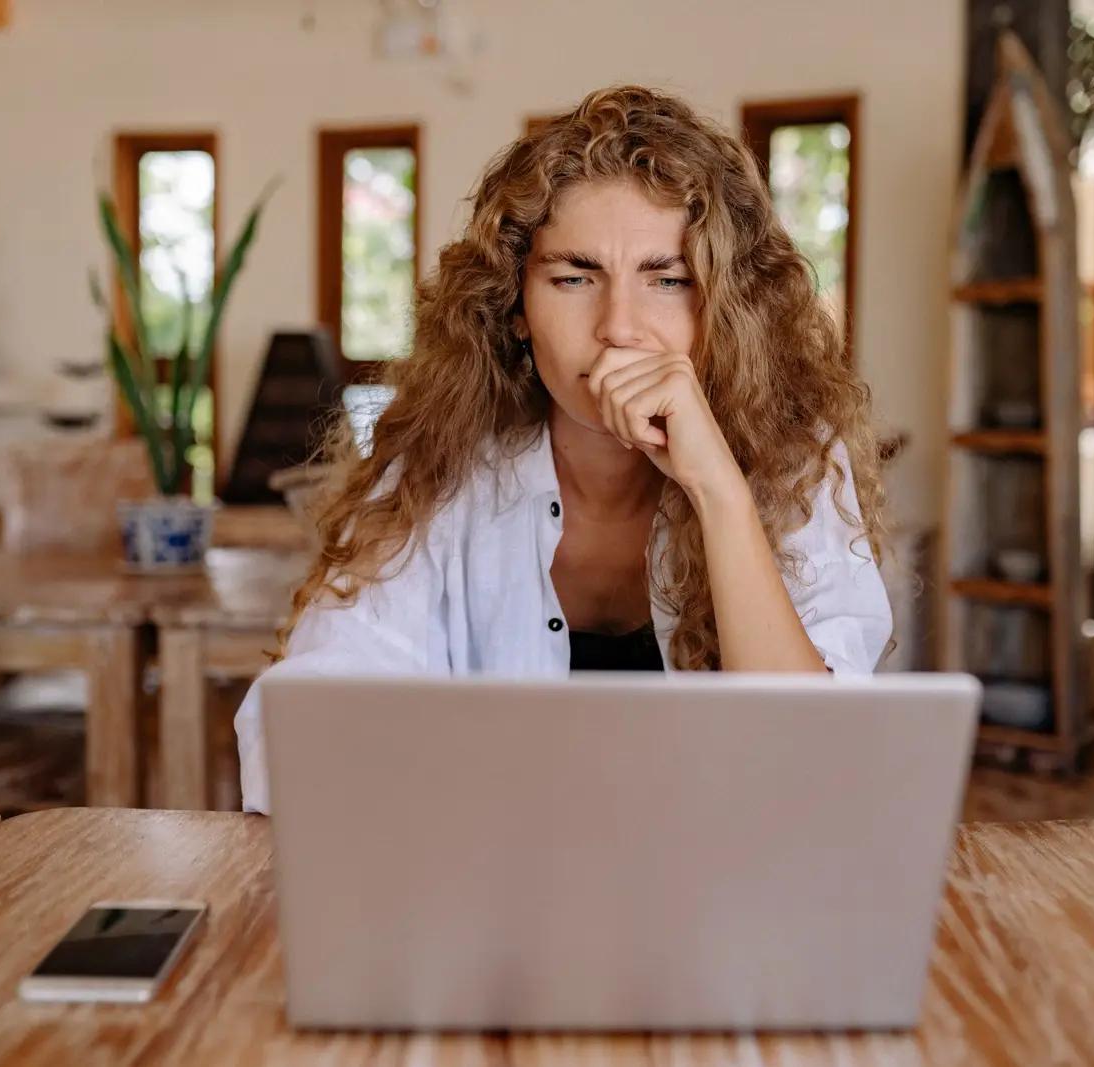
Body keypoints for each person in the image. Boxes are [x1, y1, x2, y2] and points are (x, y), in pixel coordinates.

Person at [235, 85, 893, 813]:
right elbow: (291, 736)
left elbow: (816, 774)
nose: (620, 327)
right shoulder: (436, 465)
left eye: (668, 280)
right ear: (516, 308)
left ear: (725, 309)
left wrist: (719, 493)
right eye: (574, 278)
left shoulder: (798, 460)